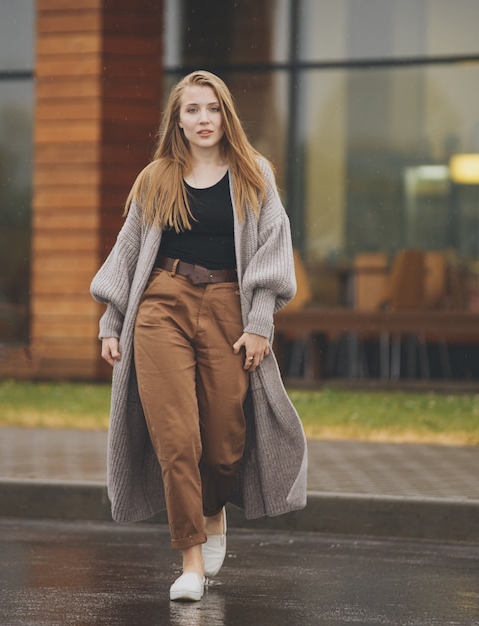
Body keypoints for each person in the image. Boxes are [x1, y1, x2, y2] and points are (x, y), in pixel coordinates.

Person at [90, 70, 307, 602]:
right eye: (192, 110)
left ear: (225, 114)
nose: (203, 118)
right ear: (177, 119)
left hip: (231, 307)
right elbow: (126, 255)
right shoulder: (156, 178)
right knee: (176, 436)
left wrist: (260, 323)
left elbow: (273, 254)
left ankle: (213, 514)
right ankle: (189, 558)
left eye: (211, 108)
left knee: (224, 440)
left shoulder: (254, 175)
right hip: (162, 303)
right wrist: (111, 322)